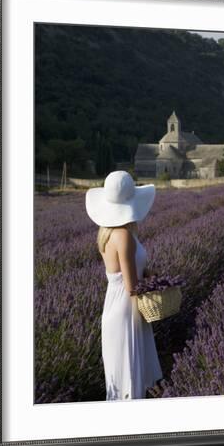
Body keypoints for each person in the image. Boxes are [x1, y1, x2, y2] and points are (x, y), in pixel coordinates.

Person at [85, 170, 163, 400]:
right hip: (127, 310)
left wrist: (148, 273)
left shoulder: (107, 233)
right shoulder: (124, 236)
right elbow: (131, 286)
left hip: (114, 306)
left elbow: (118, 272)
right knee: (130, 375)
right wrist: (156, 290)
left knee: (119, 377)